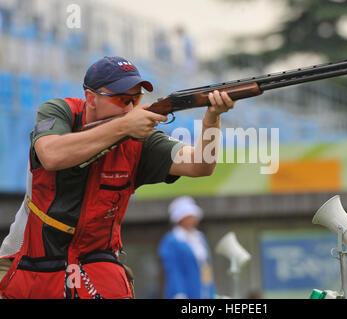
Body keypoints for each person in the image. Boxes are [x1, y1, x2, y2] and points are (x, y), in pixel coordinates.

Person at [0, 56, 234, 299]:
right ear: (91, 98)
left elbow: (200, 165)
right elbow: (51, 155)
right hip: (30, 263)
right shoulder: (61, 112)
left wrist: (212, 119)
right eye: (123, 99)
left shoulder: (140, 140)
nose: (131, 109)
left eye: (137, 99)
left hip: (96, 264)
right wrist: (123, 127)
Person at [158, 196, 215, 299]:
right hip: (184, 292)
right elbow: (173, 270)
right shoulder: (171, 240)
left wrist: (211, 289)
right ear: (180, 218)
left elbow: (206, 266)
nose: (193, 220)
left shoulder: (200, 237)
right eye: (189, 216)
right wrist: (179, 293)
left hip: (204, 290)